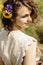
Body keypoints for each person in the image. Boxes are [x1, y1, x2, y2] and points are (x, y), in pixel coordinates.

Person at [0, 0, 40, 65]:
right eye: (25, 16)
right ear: (12, 18)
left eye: (30, 15)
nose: (30, 19)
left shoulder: (2, 34)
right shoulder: (29, 43)